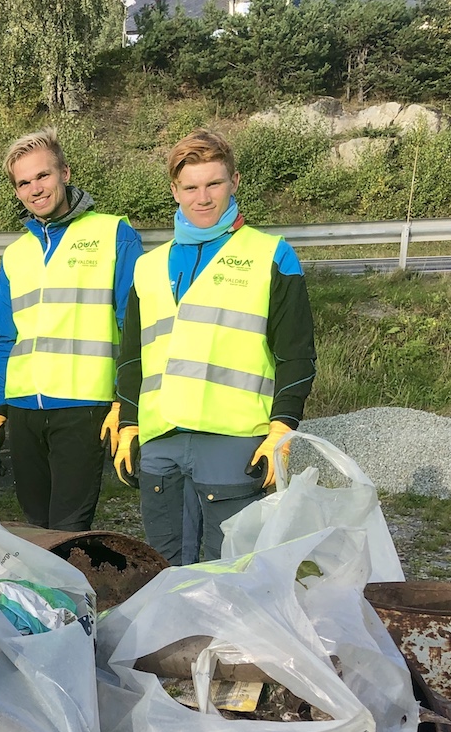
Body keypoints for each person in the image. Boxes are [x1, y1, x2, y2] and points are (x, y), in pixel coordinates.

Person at [113, 129, 316, 564]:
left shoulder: (272, 256)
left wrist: (283, 427)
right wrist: (129, 422)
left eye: (213, 184)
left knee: (230, 567)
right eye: (190, 187)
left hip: (234, 443)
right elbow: (132, 355)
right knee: (165, 567)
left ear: (235, 182)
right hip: (161, 440)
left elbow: (295, 352)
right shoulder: (147, 267)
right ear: (175, 190)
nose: (202, 197)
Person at [0, 127, 145, 532]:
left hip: (83, 406)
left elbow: (133, 327)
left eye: (43, 176)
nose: (35, 188)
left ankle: (70, 596)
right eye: (24, 182)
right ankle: (41, 597)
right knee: (37, 528)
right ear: (17, 191)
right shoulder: (15, 254)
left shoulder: (113, 234)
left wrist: (127, 403)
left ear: (65, 174)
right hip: (23, 409)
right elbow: (6, 337)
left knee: (68, 529)